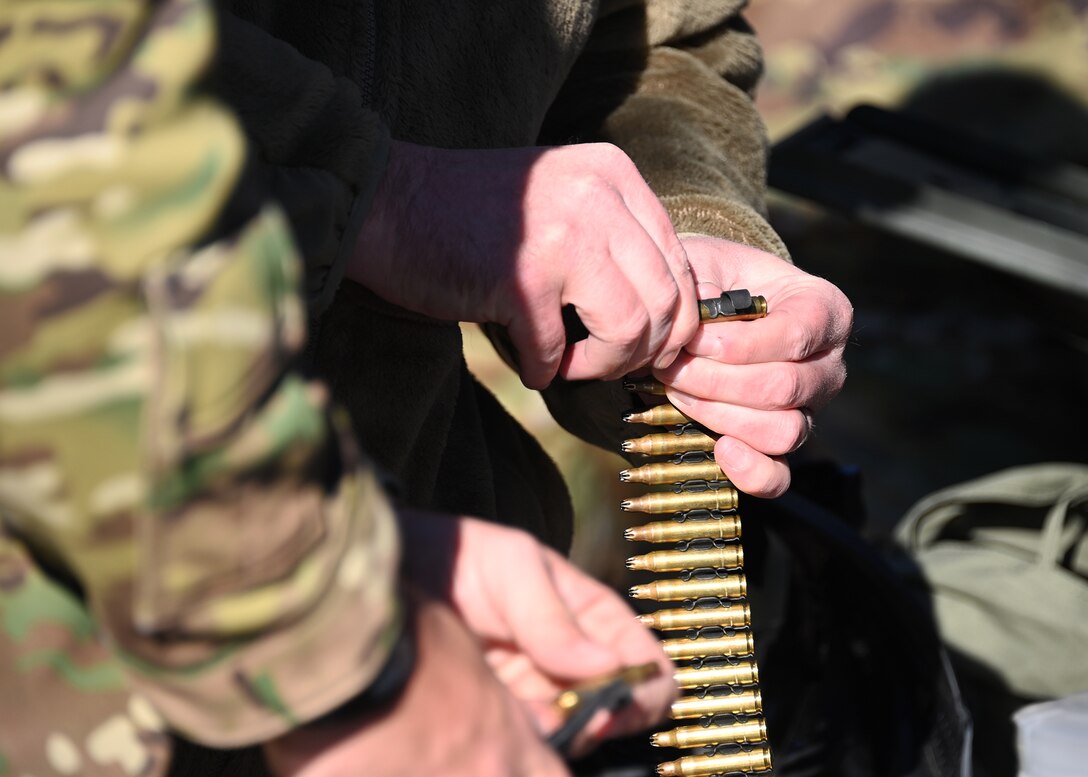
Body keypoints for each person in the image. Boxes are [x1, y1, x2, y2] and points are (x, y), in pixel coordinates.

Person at [0, 1, 852, 776]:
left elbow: (653, 42)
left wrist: (677, 241)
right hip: (88, 678)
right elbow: (48, 105)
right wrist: (376, 195)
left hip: (443, 617)